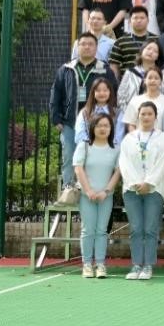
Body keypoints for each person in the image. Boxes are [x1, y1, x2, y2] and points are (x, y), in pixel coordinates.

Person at [51, 34, 116, 191]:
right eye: (83, 44)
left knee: (92, 158)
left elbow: (114, 92)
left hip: (96, 123)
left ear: (96, 47)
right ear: (77, 47)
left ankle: (90, 188)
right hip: (70, 121)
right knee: (69, 156)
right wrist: (56, 118)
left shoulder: (104, 69)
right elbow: (56, 93)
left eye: (90, 44)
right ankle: (68, 189)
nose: (87, 47)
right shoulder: (66, 68)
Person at [118, 102, 164, 281]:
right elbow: (124, 163)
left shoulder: (162, 138)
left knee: (150, 229)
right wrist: (135, 183)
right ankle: (136, 264)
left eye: (150, 114)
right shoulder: (129, 138)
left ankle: (148, 265)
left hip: (154, 190)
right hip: (131, 190)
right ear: (138, 116)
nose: (146, 117)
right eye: (143, 114)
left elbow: (162, 162)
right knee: (136, 229)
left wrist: (149, 183)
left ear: (155, 117)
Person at [74, 113, 121, 279]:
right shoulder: (84, 146)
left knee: (102, 231)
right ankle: (87, 264)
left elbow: (118, 172)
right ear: (92, 127)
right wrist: (88, 191)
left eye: (106, 125)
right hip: (86, 196)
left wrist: (106, 191)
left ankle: (100, 264)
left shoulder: (116, 149)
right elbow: (78, 168)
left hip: (106, 197)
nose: (103, 129)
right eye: (99, 125)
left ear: (111, 129)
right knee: (88, 230)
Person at [110, 6, 157, 78]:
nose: (139, 21)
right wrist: (116, 82)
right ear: (129, 21)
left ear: (148, 20)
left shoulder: (157, 40)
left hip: (152, 81)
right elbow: (114, 65)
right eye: (135, 18)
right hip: (128, 81)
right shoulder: (120, 42)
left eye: (142, 18)